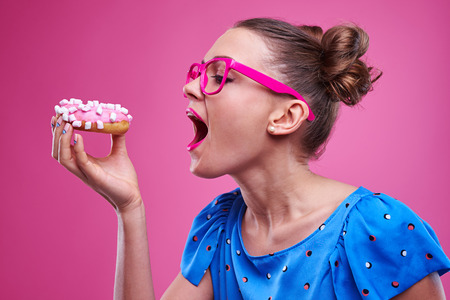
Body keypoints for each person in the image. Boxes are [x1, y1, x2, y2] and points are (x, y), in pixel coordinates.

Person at [51, 18, 450, 299]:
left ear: (285, 116)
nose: (189, 87)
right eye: (197, 72)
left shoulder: (380, 231)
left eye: (219, 73)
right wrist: (129, 209)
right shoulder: (220, 231)